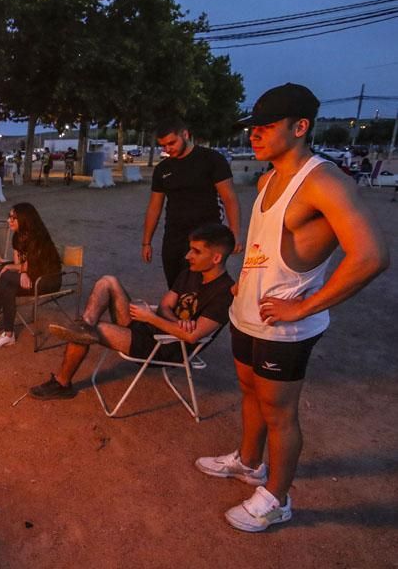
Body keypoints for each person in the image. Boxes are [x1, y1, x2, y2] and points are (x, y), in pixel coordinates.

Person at [195, 83, 388, 533]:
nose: (255, 136)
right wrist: (242, 283)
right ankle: (248, 462)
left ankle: (277, 499)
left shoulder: (324, 181)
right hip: (247, 314)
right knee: (248, 391)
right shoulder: (266, 179)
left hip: (285, 328)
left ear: (300, 127)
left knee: (279, 412)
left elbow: (372, 255)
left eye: (266, 127)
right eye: (253, 128)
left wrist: (304, 308)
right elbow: (265, 244)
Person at [29, 223, 236, 400]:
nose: (188, 255)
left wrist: (153, 318)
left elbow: (192, 337)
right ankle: (84, 325)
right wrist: (175, 321)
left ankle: (62, 383)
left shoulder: (224, 293)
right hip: (151, 329)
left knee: (95, 330)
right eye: (190, 249)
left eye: (196, 251)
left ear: (216, 258)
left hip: (166, 347)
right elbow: (165, 306)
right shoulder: (190, 273)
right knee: (107, 281)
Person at [142, 117, 242, 288]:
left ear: (185, 134)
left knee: (201, 286)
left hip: (207, 237)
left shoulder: (211, 160)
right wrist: (146, 242)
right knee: (175, 286)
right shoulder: (162, 169)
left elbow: (229, 198)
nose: (167, 149)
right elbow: (154, 207)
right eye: (163, 146)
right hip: (174, 237)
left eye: (171, 143)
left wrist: (235, 234)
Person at [0, 203, 62, 349]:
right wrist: (11, 266)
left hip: (47, 280)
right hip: (32, 277)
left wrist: (20, 271)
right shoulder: (17, 237)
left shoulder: (38, 238)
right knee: (8, 285)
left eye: (14, 218)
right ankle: (8, 335)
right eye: (9, 217)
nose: (9, 221)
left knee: (6, 276)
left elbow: (31, 266)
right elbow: (20, 264)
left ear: (25, 220)